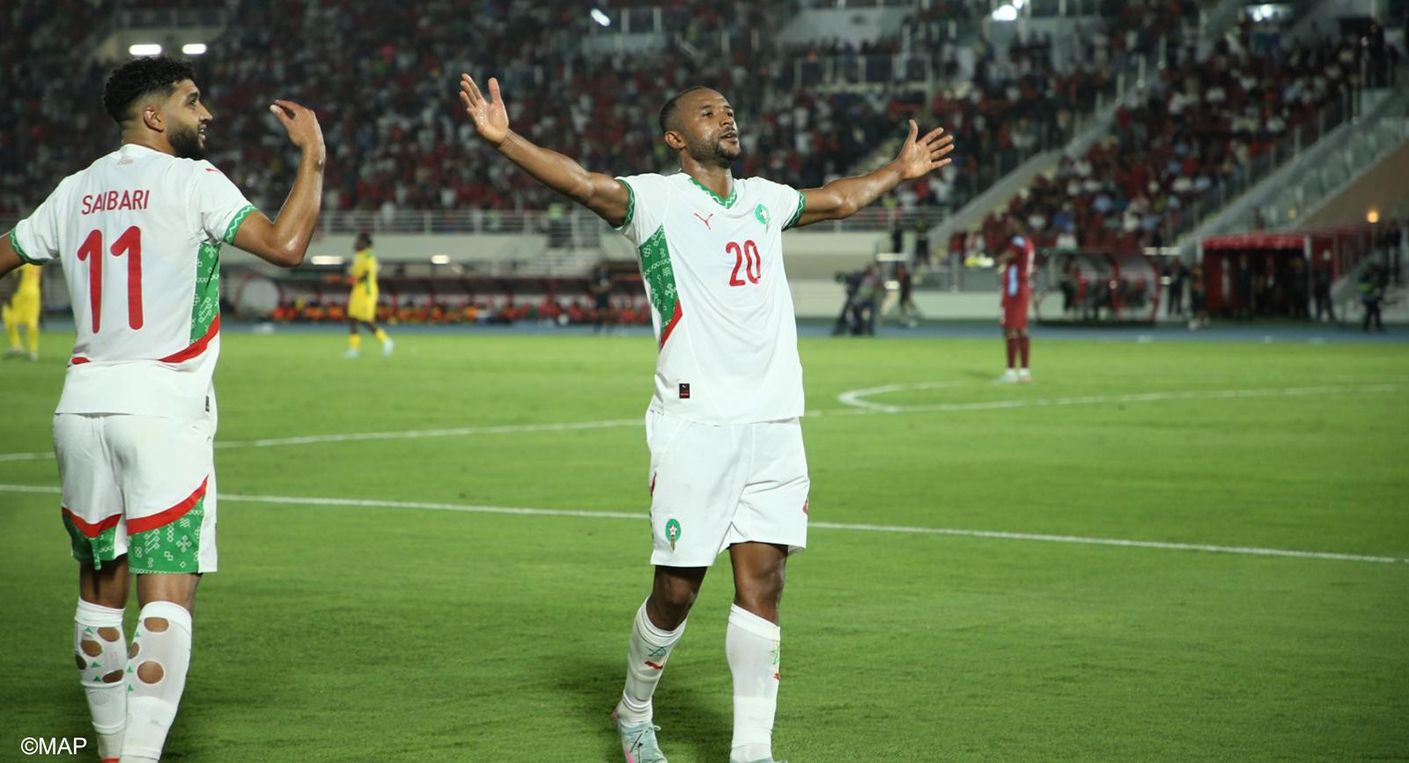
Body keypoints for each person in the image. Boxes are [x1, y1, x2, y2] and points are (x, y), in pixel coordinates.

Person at [458, 75, 952, 763]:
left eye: (728, 110)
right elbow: (581, 183)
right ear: (675, 137)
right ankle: (634, 711)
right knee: (677, 589)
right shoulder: (655, 200)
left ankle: (752, 749)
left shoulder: (762, 199)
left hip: (774, 423)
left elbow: (839, 198)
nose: (725, 118)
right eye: (707, 112)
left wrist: (899, 170)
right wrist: (505, 139)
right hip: (695, 423)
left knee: (765, 583)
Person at [0, 55, 325, 763]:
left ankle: (112, 750)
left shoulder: (74, 189)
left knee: (98, 594)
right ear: (154, 116)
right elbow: (286, 245)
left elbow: (6, 252)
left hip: (80, 411)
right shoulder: (193, 180)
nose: (206, 113)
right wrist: (314, 158)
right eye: (192, 100)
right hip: (162, 408)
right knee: (166, 598)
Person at [345, 231, 393, 357]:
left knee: (365, 319)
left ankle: (386, 341)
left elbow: (366, 275)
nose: (355, 243)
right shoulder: (358, 256)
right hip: (357, 291)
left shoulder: (369, 256)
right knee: (352, 318)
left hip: (367, 292)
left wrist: (352, 281)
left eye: (358, 241)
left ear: (365, 243)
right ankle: (354, 349)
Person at [997, 230, 1035, 383]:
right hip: (1023, 288)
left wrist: (998, 258)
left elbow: (1006, 256)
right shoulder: (1028, 242)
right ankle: (1024, 371)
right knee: (1021, 328)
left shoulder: (1018, 241)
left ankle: (1010, 372)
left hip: (1014, 291)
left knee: (1010, 328)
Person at [2, 263, 41, 359]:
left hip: (21, 293)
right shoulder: (37, 262)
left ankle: (17, 345)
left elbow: (18, 278)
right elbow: (41, 279)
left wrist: (10, 295)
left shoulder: (22, 259)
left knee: (7, 314)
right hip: (35, 293)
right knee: (32, 321)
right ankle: (33, 351)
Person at [1312, 252, 1336, 323]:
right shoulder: (1318, 268)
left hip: (1325, 286)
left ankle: (1329, 315)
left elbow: (1329, 274)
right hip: (1320, 287)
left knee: (1327, 301)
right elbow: (1315, 276)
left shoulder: (1327, 267)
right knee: (1319, 302)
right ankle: (1320, 314)